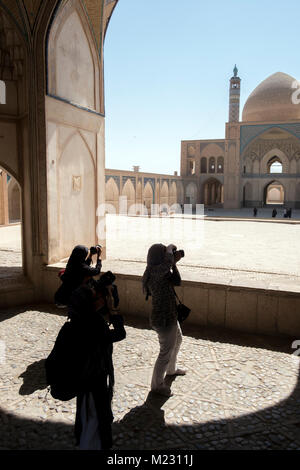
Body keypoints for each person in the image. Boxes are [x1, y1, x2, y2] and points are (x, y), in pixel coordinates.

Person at [68, 277, 126, 450]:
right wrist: (113, 310)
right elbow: (120, 333)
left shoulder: (79, 320)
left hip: (85, 380)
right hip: (95, 382)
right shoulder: (93, 325)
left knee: (88, 419)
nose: (101, 298)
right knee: (96, 422)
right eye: (96, 297)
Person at [142, 243, 185, 397]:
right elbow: (165, 266)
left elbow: (177, 281)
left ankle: (171, 369)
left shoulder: (160, 271)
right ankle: (157, 386)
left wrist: (174, 264)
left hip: (170, 315)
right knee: (165, 353)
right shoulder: (155, 272)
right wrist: (169, 252)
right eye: (164, 254)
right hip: (163, 318)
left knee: (178, 340)